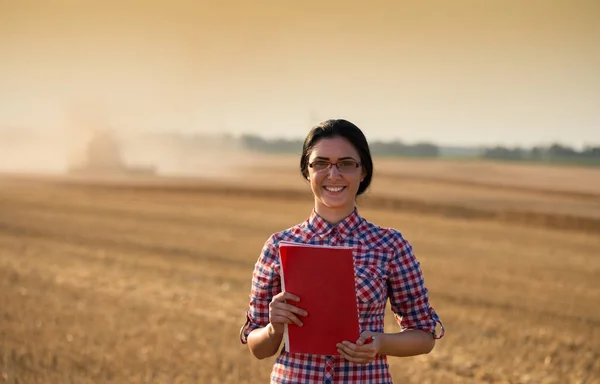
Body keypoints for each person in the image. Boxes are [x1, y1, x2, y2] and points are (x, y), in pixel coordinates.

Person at [239, 119, 444, 383]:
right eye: (321, 163)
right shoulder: (278, 246)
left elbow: (424, 336)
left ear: (363, 172)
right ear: (307, 171)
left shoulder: (390, 245)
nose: (333, 175)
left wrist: (379, 343)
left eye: (346, 164)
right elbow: (258, 348)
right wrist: (273, 329)